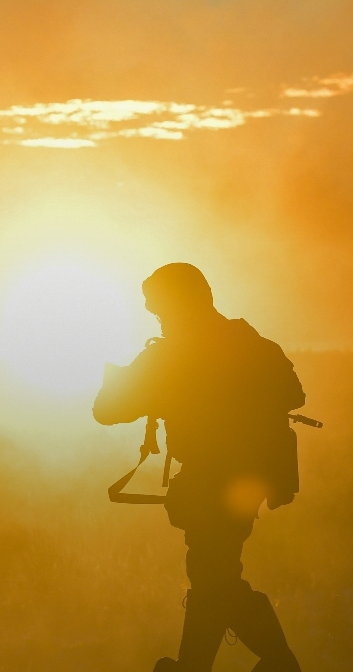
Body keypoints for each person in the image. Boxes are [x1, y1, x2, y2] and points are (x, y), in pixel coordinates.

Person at [93, 263, 306, 672]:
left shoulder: (171, 355)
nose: (158, 318)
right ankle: (258, 662)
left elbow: (107, 410)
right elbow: (293, 392)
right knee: (216, 578)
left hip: (213, 484)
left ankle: (266, 662)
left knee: (213, 579)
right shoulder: (245, 340)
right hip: (246, 481)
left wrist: (121, 378)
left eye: (159, 309)